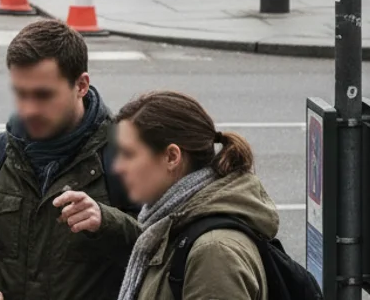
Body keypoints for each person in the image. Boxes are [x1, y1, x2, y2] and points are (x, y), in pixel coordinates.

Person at [0, 20, 140, 300]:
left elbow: (162, 252)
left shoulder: (128, 156)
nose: (29, 109)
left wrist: (106, 222)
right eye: (21, 94)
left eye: (43, 95)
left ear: (81, 85)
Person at [112, 91, 280, 300]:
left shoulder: (213, 253)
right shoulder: (168, 226)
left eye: (128, 154)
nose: (118, 167)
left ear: (172, 157)